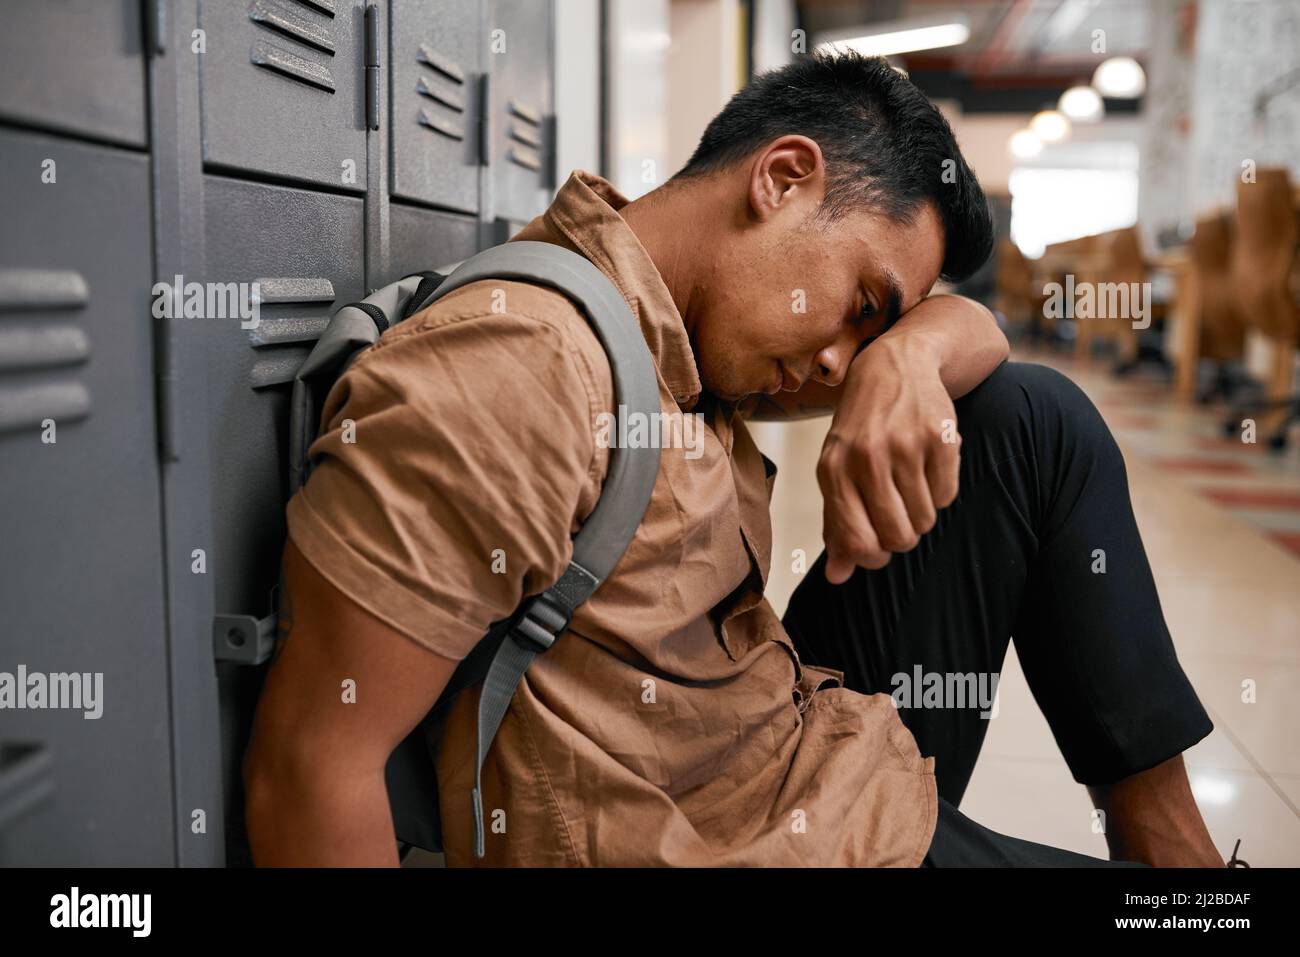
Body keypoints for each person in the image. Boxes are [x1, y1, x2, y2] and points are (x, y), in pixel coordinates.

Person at [242, 51, 1222, 867]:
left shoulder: (680, 340)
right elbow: (311, 768)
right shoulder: (527, 367)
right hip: (718, 837)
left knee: (1024, 420)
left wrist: (912, 353)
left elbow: (985, 343)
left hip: (795, 754)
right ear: (782, 178)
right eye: (865, 305)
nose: (844, 362)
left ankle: (1167, 847)